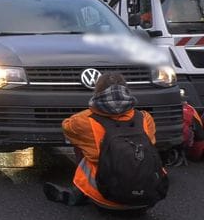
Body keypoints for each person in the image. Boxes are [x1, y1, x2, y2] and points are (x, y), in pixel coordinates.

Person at [43, 73, 166, 209]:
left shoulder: (84, 121)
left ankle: (78, 193)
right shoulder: (145, 118)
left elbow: (66, 127)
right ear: (126, 91)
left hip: (107, 199)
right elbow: (152, 142)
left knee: (82, 145)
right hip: (148, 197)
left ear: (97, 93)